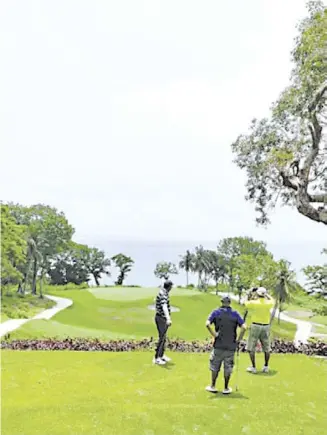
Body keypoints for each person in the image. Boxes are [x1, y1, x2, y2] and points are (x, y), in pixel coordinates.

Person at [205, 295, 246, 394]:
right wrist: (238, 340)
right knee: (228, 367)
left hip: (218, 344)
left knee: (215, 366)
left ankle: (213, 386)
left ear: (221, 302)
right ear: (230, 303)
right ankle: (226, 388)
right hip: (231, 345)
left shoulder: (216, 312)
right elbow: (244, 327)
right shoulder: (235, 314)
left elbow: (207, 324)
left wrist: (214, 334)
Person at [244, 286, 275, 374]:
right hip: (265, 326)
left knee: (251, 347)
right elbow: (272, 300)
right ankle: (266, 366)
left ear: (257, 294)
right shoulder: (268, 303)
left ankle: (253, 367)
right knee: (266, 347)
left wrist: (249, 292)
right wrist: (266, 294)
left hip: (255, 326)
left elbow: (245, 302)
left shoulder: (254, 303)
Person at [153, 279, 173, 365]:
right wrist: (168, 318)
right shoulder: (163, 294)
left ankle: (161, 355)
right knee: (162, 337)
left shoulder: (163, 292)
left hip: (161, 317)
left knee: (164, 337)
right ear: (169, 287)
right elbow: (164, 306)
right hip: (161, 318)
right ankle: (157, 357)